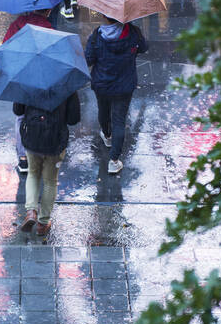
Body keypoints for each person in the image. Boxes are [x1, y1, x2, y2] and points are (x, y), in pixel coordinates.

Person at [85, 15, 147, 174]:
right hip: (124, 85)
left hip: (102, 84)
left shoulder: (97, 35)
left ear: (105, 16)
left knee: (103, 111)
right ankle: (114, 161)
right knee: (119, 120)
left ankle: (107, 135)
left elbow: (89, 59)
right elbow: (144, 47)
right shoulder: (133, 32)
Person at [14, 91, 81, 234]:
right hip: (55, 140)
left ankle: (31, 211)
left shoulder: (28, 82)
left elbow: (18, 110)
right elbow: (73, 119)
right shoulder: (67, 85)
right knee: (50, 181)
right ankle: (43, 223)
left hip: (32, 136)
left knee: (33, 174)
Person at [3, 10, 55, 174]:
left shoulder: (17, 25)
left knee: (20, 117)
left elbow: (6, 49)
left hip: (21, 77)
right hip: (40, 80)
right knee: (40, 115)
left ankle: (23, 158)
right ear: (47, 11)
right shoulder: (48, 28)